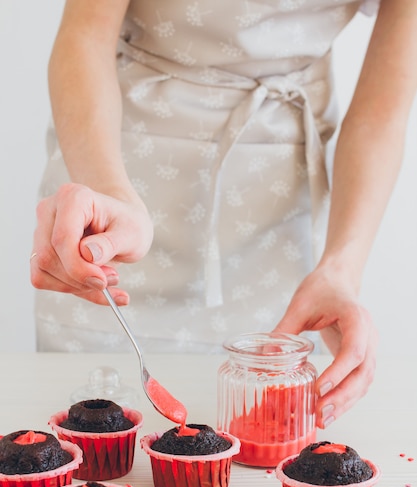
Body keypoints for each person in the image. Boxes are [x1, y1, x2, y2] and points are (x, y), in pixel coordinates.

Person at [30, 0, 417, 429]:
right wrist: (110, 195)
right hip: (118, 170)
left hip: (277, 224)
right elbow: (84, 36)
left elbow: (383, 112)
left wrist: (342, 270)